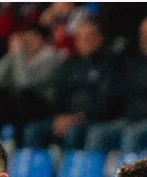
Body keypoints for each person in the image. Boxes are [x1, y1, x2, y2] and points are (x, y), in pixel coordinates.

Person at [85, 15, 147, 153]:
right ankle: (90, 173)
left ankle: (132, 175)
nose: (146, 38)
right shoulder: (134, 61)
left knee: (131, 135)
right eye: (143, 34)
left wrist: (142, 87)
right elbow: (125, 88)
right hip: (131, 119)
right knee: (98, 133)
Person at [23, 20, 118, 149]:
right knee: (33, 130)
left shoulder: (109, 65)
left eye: (89, 38)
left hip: (93, 119)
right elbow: (59, 94)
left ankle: (73, 168)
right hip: (66, 118)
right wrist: (59, 117)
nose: (85, 42)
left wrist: (78, 117)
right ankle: (37, 168)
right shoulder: (69, 65)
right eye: (80, 38)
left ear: (99, 39)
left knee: (73, 132)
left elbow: (107, 100)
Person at [0, 24, 64, 139]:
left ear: (45, 40)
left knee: (23, 96)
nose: (28, 42)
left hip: (44, 106)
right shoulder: (21, 57)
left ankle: (19, 142)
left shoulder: (51, 57)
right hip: (23, 105)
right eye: (27, 38)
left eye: (33, 38)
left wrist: (18, 54)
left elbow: (25, 83)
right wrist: (11, 54)